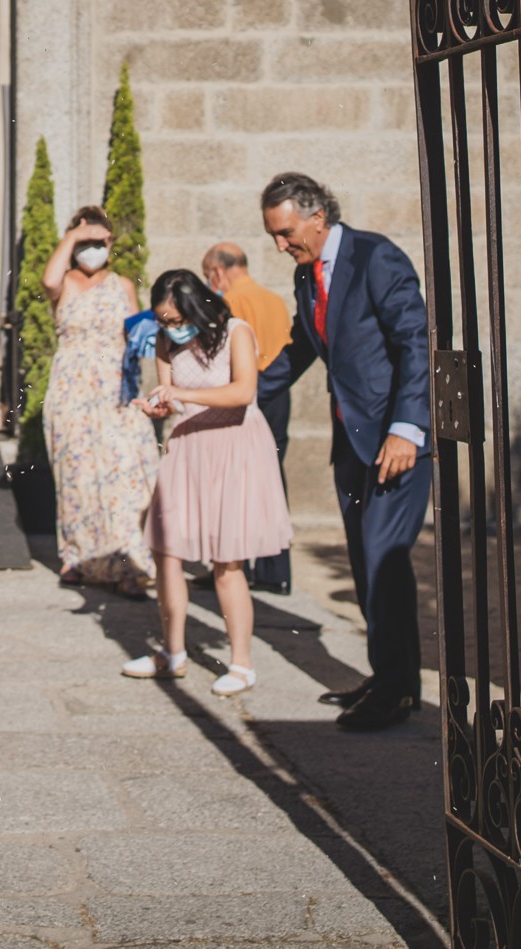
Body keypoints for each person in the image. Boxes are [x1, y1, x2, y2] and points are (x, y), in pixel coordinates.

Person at [259, 172, 432, 732]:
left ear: (317, 216)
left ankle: (398, 693)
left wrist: (407, 427)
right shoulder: (307, 277)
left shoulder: (375, 257)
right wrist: (236, 392)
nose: (281, 245)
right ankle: (391, 677)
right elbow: (298, 351)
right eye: (274, 237)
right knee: (364, 561)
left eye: (286, 233)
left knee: (384, 558)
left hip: (392, 441)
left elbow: (416, 341)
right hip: (351, 444)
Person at [123, 270, 290, 695]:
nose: (172, 330)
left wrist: (183, 396)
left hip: (233, 444)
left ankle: (241, 664)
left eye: (178, 320)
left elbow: (242, 393)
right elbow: (169, 393)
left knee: (226, 559)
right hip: (188, 445)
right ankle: (173, 653)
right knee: (166, 548)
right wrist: (158, 405)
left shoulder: (236, 332)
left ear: (198, 308)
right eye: (165, 321)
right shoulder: (164, 341)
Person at [41, 207, 157, 597]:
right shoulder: (66, 283)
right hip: (72, 389)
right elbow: (48, 279)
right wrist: (74, 235)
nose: (93, 248)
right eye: (85, 242)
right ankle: (79, 558)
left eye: (100, 241)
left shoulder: (123, 284)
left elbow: (140, 335)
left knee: (125, 475)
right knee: (78, 478)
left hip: (116, 391)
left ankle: (129, 564)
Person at [202, 242, 295, 595]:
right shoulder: (274, 299)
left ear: (218, 271)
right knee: (273, 479)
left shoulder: (230, 302)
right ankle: (275, 571)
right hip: (277, 396)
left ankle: (232, 563)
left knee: (236, 485)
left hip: (245, 396)